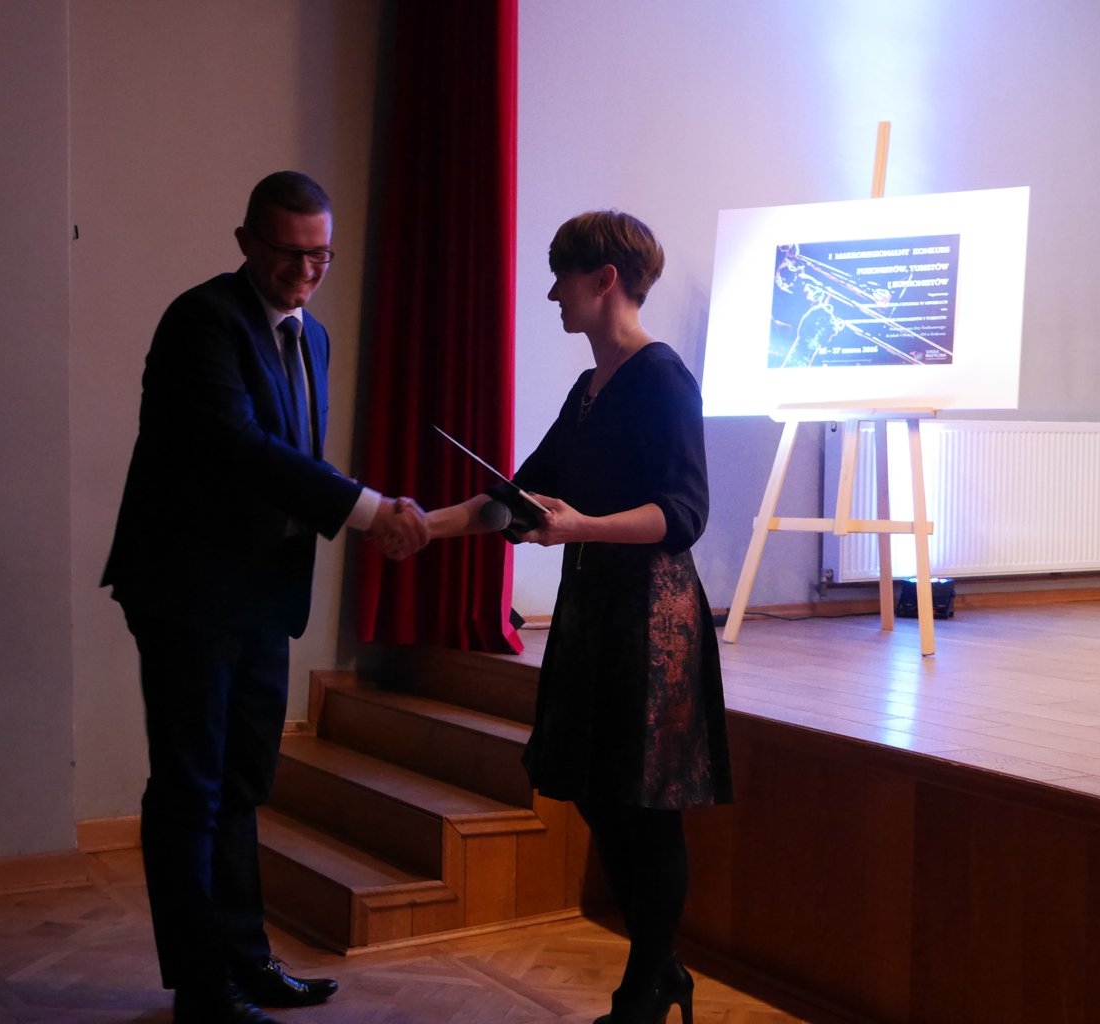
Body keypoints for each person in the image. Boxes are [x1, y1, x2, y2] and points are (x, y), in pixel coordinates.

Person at [102, 170, 429, 1024]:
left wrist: (365, 508)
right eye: (288, 253)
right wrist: (369, 511)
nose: (305, 271)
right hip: (188, 592)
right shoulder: (201, 321)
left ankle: (245, 962)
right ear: (246, 241)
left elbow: (293, 463)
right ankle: (201, 989)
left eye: (320, 256)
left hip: (262, 593)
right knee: (191, 789)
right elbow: (240, 448)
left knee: (244, 782)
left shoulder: (311, 337)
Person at [424, 210, 733, 1024]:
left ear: (605, 280)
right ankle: (661, 970)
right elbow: (519, 494)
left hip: (650, 618)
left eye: (562, 275)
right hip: (596, 609)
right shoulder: (588, 388)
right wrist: (425, 526)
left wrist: (581, 526)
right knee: (601, 797)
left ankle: (643, 991)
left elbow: (684, 513)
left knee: (646, 807)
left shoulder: (661, 377)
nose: (551, 292)